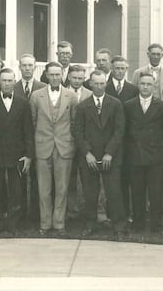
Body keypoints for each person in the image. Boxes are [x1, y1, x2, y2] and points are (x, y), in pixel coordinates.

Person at [73, 71, 127, 237]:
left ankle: (119, 225)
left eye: (102, 83)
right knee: (90, 193)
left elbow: (119, 131)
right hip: (89, 157)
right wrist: (87, 153)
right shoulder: (82, 106)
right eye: (96, 83)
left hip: (110, 156)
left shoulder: (115, 104)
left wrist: (109, 153)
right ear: (90, 84)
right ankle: (90, 223)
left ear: (106, 84)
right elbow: (78, 132)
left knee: (114, 192)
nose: (99, 87)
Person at [0, 68, 34, 237]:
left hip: (16, 155)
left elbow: (28, 132)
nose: (7, 84)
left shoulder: (23, 103)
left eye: (10, 80)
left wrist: (29, 155)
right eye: (4, 80)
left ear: (14, 81)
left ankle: (13, 224)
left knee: (16, 191)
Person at [130, 43, 163, 217]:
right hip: (141, 129)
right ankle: (141, 206)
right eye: (153, 54)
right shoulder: (138, 73)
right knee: (140, 173)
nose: (156, 57)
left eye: (159, 54)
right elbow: (133, 98)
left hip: (161, 130)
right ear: (148, 54)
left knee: (161, 172)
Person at [29, 62, 78, 235]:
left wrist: (68, 141)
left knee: (62, 188)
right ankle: (45, 223)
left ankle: (59, 223)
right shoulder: (36, 96)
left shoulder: (71, 96)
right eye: (52, 74)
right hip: (43, 146)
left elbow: (74, 123)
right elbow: (33, 122)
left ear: (63, 75)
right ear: (47, 75)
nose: (55, 77)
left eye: (58, 74)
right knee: (44, 188)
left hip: (64, 147)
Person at [123, 73, 163, 234]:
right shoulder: (129, 105)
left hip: (155, 156)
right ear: (138, 85)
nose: (145, 87)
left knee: (156, 191)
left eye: (149, 84)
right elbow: (125, 130)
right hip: (135, 155)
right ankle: (138, 223)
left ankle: (156, 225)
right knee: (137, 190)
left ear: (154, 86)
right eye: (142, 84)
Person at [105, 55, 138, 220]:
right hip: (108, 140)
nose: (119, 71)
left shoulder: (133, 89)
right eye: (116, 68)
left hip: (127, 141)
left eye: (122, 68)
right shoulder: (105, 87)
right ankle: (110, 213)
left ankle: (125, 213)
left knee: (125, 177)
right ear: (111, 69)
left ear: (127, 70)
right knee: (110, 179)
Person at [14, 53, 45, 221]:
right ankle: (19, 213)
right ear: (20, 67)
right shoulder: (13, 86)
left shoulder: (43, 87)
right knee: (18, 178)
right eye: (24, 65)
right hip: (18, 141)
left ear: (35, 67)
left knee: (36, 177)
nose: (27, 68)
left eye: (30, 65)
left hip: (39, 139)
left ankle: (35, 214)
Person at [65, 64, 92, 220]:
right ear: (69, 77)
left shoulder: (89, 94)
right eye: (74, 78)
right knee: (69, 178)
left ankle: (92, 211)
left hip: (86, 144)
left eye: (80, 78)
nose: (77, 81)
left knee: (89, 178)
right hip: (67, 142)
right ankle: (71, 210)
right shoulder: (62, 93)